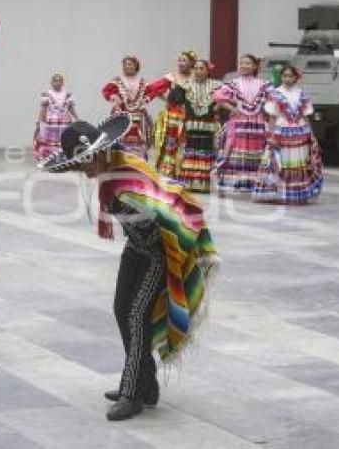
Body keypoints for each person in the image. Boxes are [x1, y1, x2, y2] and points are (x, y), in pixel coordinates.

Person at [40, 116, 219, 421]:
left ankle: (133, 393)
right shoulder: (113, 171)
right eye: (79, 166)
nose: (84, 172)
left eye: (85, 164)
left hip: (159, 252)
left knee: (137, 315)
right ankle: (145, 384)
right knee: (121, 308)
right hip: (136, 248)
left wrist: (178, 241)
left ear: (99, 152)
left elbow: (174, 202)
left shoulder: (129, 177)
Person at [253, 65, 323, 204]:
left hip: (300, 132)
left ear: (296, 77)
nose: (287, 79)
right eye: (284, 76)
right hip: (281, 132)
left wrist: (312, 134)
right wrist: (271, 135)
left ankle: (296, 193)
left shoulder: (302, 94)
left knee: (297, 162)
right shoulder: (275, 94)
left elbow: (306, 116)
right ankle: (281, 193)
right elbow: (272, 117)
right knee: (282, 162)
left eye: (290, 76)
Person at [213, 54, 271, 193]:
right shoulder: (234, 83)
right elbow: (218, 96)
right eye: (242, 63)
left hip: (257, 122)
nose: (244, 66)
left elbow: (274, 100)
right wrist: (232, 108)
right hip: (239, 122)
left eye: (248, 63)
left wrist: (267, 112)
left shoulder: (263, 84)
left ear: (255, 66)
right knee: (237, 149)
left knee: (256, 150)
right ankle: (238, 181)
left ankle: (254, 181)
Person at [146, 51, 196, 178]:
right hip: (173, 116)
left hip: (191, 116)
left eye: (184, 60)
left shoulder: (196, 77)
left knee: (187, 143)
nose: (180, 63)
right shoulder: (172, 77)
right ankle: (168, 172)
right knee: (171, 142)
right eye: (179, 60)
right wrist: (166, 98)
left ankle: (185, 172)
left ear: (191, 63)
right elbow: (152, 88)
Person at [179, 59, 223, 192]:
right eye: (196, 68)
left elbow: (229, 98)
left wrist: (219, 106)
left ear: (208, 71)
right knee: (191, 151)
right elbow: (172, 100)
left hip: (208, 125)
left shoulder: (216, 86)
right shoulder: (185, 86)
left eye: (201, 68)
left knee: (207, 152)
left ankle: (205, 184)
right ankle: (190, 183)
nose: (198, 71)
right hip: (192, 124)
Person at [102, 56, 152, 158]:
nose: (127, 66)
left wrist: (146, 99)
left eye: (130, 64)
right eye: (125, 64)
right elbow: (106, 90)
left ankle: (138, 158)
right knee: (121, 132)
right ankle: (120, 157)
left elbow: (152, 91)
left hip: (138, 113)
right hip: (122, 111)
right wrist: (114, 97)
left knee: (140, 132)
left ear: (136, 66)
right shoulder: (117, 80)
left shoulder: (142, 81)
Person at [34, 72, 78, 160]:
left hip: (65, 121)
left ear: (63, 82)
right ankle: (50, 157)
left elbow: (70, 108)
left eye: (60, 81)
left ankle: (64, 156)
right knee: (50, 140)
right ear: (51, 82)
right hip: (51, 122)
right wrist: (40, 121)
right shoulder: (46, 94)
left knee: (64, 139)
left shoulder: (68, 94)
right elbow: (43, 108)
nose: (57, 83)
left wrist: (77, 118)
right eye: (55, 81)